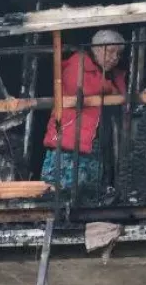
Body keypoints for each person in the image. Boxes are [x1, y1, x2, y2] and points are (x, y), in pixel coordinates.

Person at [42, 29, 127, 194]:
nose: (115, 57)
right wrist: (111, 88)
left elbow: (122, 96)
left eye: (118, 53)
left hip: (93, 147)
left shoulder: (112, 75)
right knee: (59, 194)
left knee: (88, 195)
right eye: (110, 51)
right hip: (69, 143)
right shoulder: (78, 62)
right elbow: (83, 88)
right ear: (96, 48)